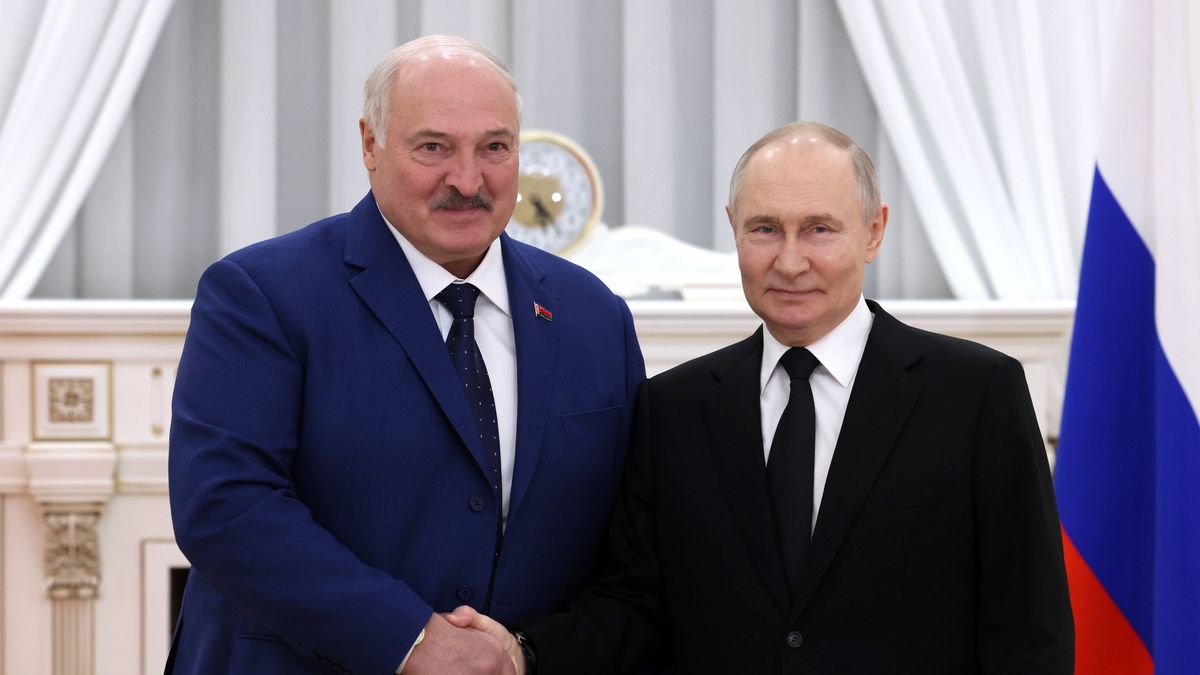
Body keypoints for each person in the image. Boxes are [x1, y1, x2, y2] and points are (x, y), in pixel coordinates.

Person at [451, 122, 1074, 673]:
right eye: (766, 229)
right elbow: (637, 607)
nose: (790, 261)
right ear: (734, 230)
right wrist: (520, 653)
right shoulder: (674, 408)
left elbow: (1029, 631)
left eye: (820, 230)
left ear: (875, 231)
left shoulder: (975, 394)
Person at [166, 35, 644, 674]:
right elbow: (226, 508)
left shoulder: (594, 317)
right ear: (370, 144)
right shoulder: (261, 294)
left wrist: (528, 654)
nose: (467, 179)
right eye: (433, 148)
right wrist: (411, 639)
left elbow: (630, 547)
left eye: (494, 147)